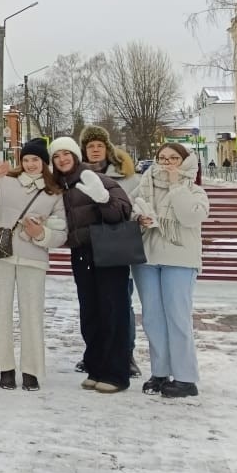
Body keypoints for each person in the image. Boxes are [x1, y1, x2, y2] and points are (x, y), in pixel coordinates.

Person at [0, 139, 67, 391]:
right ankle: (4, 368)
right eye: (26, 159)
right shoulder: (6, 181)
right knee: (0, 312)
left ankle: (31, 371)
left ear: (44, 163)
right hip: (0, 254)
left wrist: (41, 233)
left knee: (32, 315)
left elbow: (62, 231)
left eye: (35, 160)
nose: (30, 164)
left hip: (33, 257)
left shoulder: (54, 191)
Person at [50, 137, 133, 393]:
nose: (62, 159)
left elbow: (122, 212)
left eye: (67, 154)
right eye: (57, 156)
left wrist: (103, 198)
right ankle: (96, 368)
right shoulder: (61, 185)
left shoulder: (94, 178)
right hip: (83, 253)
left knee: (113, 312)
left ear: (76, 156)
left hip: (108, 251)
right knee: (90, 312)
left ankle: (117, 373)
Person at [130, 144, 210, 398]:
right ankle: (160, 372)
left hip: (179, 260)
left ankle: (186, 378)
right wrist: (138, 218)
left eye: (174, 158)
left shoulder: (193, 189)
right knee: (153, 318)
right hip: (147, 258)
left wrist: (176, 186)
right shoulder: (145, 185)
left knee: (177, 317)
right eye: (162, 158)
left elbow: (189, 217)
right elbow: (129, 210)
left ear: (185, 161)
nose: (167, 163)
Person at [79, 124, 141, 378]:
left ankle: (125, 354)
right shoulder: (75, 175)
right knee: (91, 305)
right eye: (90, 146)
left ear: (107, 148)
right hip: (86, 245)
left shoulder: (125, 176)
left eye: (99, 145)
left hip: (115, 243)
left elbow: (134, 205)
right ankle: (94, 354)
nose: (95, 150)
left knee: (119, 304)